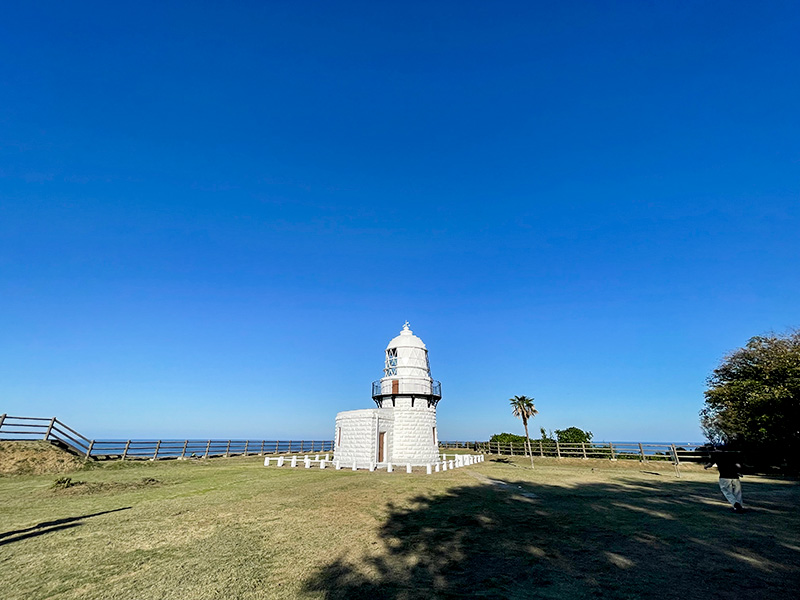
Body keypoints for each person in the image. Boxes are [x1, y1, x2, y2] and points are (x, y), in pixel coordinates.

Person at [704, 446, 744, 513]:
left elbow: (710, 464)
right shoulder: (730, 454)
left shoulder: (716, 455)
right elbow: (737, 465)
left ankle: (735, 504)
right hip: (735, 476)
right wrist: (739, 472)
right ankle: (739, 506)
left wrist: (705, 466)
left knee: (726, 491)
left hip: (724, 476)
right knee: (737, 492)